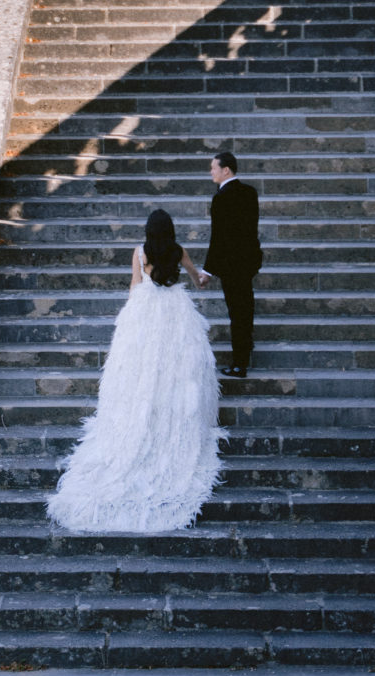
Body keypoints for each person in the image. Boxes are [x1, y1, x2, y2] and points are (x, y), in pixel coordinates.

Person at [46, 207, 222, 533]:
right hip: (175, 310)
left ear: (148, 230)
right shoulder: (179, 250)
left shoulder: (140, 252)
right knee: (175, 366)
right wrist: (202, 278)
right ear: (169, 230)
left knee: (140, 365)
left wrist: (130, 317)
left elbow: (134, 284)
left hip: (145, 311)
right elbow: (197, 278)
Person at [203, 149, 262, 379]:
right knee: (245, 309)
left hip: (231, 266)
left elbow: (218, 238)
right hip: (247, 263)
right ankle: (245, 350)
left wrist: (207, 270)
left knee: (237, 312)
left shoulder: (221, 197)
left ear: (225, 169)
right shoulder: (250, 193)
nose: (211, 172)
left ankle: (239, 364)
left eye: (213, 168)